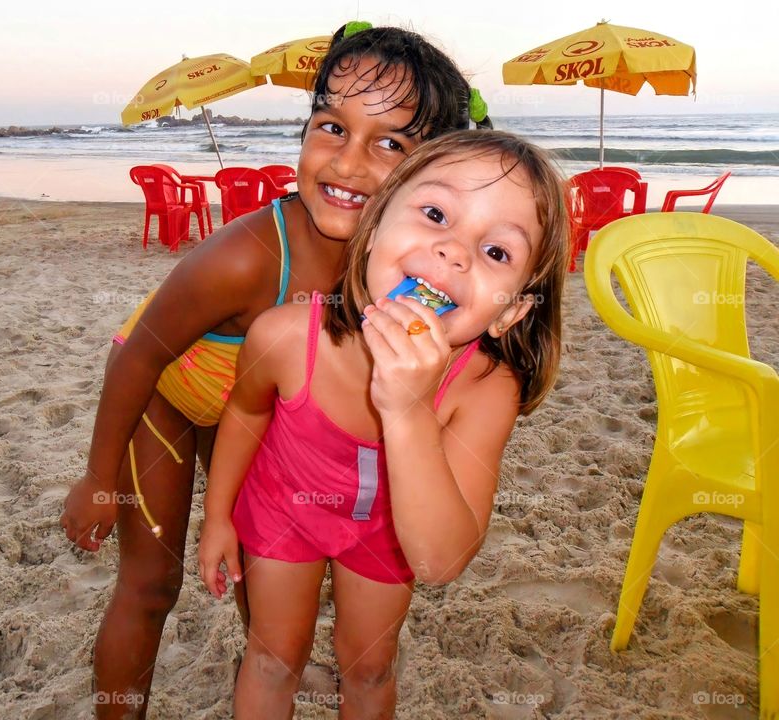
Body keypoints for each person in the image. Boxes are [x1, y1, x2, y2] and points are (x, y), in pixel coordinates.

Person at [60, 22, 491, 720]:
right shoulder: (246, 256)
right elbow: (138, 354)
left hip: (253, 402)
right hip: (165, 397)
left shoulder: (402, 259)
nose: (349, 165)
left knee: (255, 577)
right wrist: (99, 480)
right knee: (150, 584)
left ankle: (270, 664)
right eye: (331, 127)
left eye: (389, 143)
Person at [199, 130, 570, 718]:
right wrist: (218, 517)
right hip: (282, 508)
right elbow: (244, 414)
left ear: (512, 312)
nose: (454, 251)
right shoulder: (285, 336)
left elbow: (441, 561)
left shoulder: (485, 388)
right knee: (273, 656)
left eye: (497, 252)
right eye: (434, 213)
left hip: (388, 530)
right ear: (372, 229)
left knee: (368, 667)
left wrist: (409, 409)